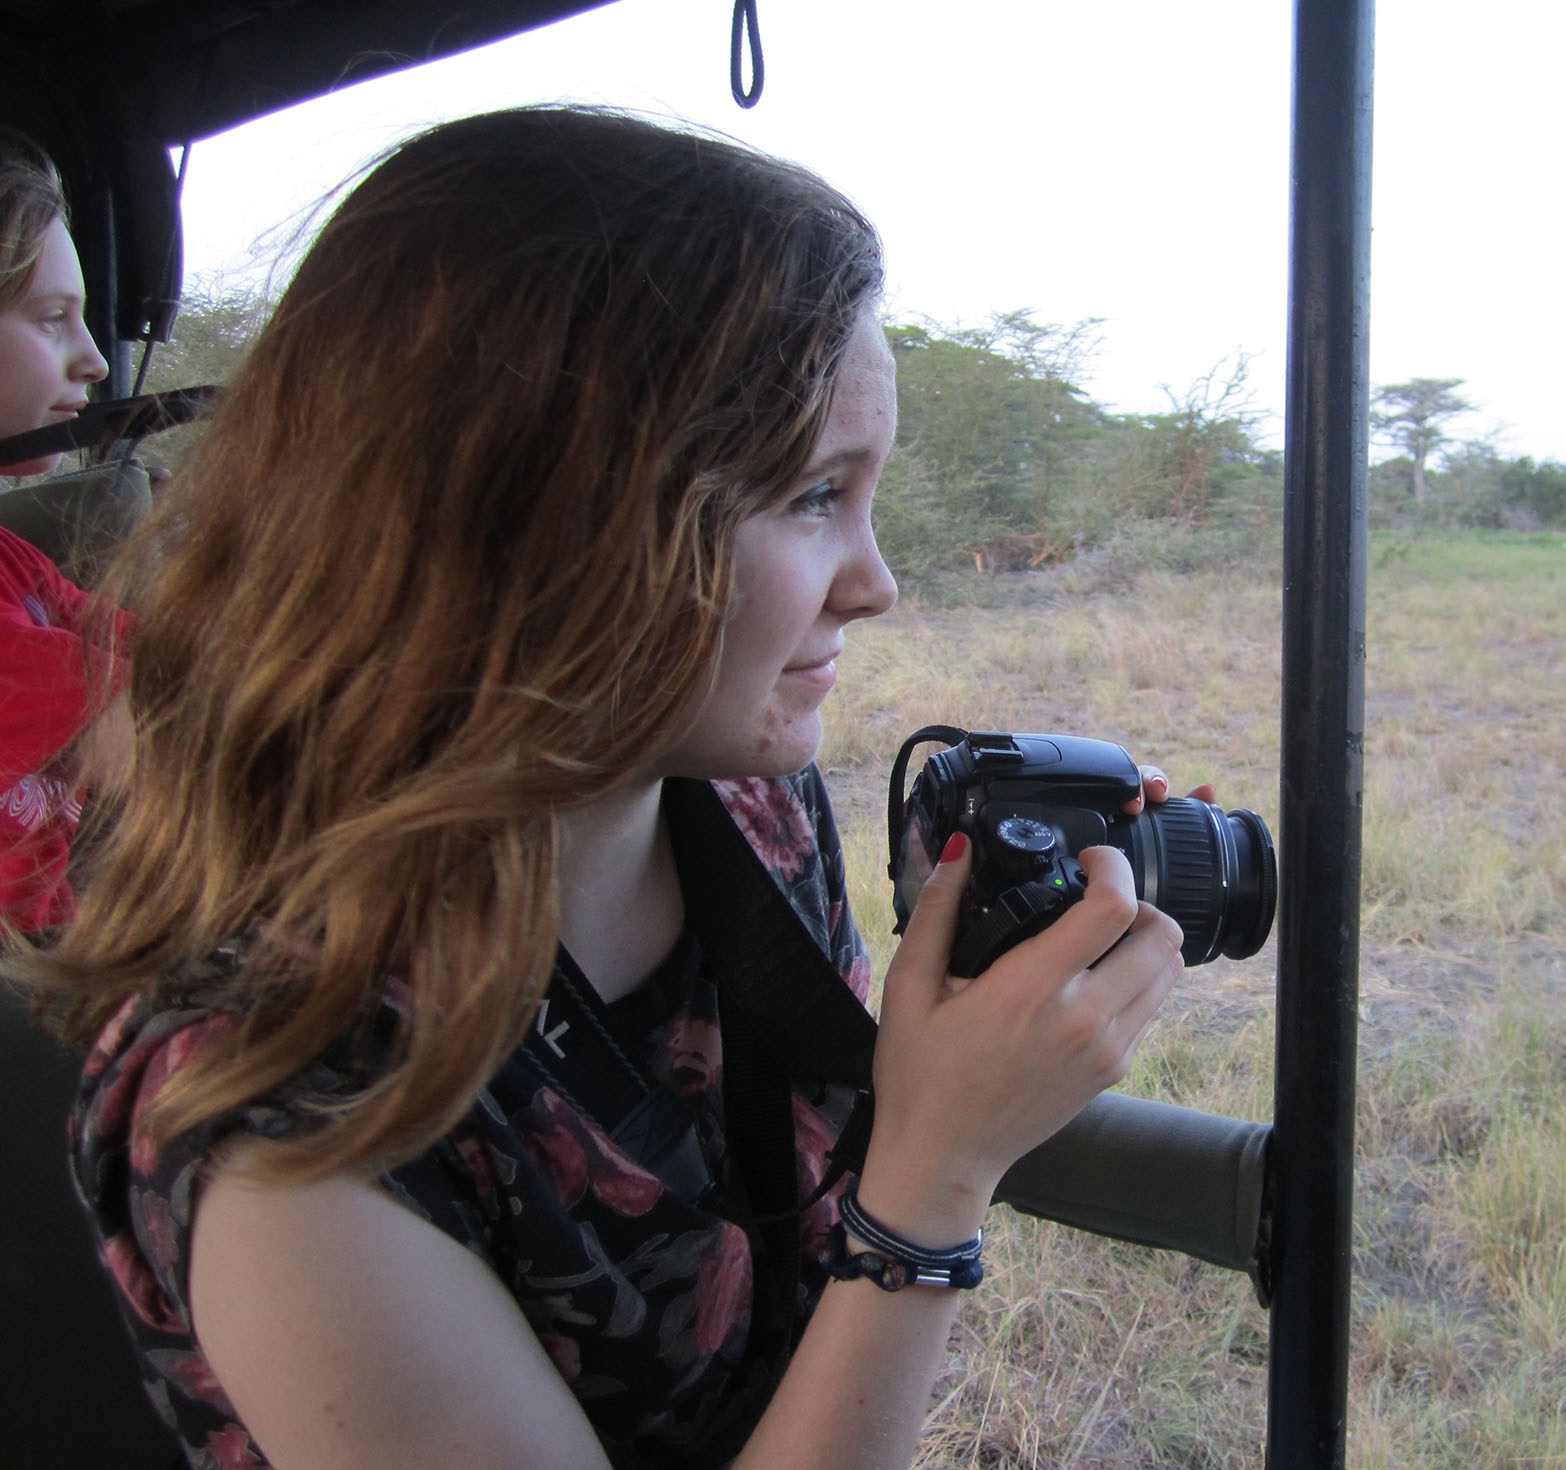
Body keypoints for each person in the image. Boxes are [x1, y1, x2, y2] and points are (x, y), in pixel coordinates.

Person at [19, 107, 1188, 1469]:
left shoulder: (739, 806)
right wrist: (930, 1184)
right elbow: (892, 1196)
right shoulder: (280, 1122)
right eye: (816, 495)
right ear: (547, 515)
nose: (877, 583)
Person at [0, 129, 117, 933]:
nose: (97, 360)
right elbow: (180, 728)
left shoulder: (16, 564)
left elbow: (164, 648)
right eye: (52, 319)